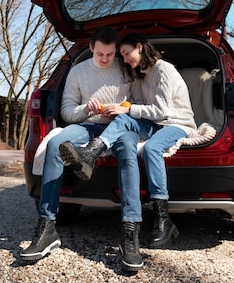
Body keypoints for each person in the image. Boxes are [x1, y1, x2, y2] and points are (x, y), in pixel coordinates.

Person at [20, 26, 145, 272]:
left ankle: (131, 233)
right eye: (100, 54)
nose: (106, 59)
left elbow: (141, 102)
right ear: (91, 48)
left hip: (120, 128)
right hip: (87, 126)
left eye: (110, 54)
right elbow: (66, 111)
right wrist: (86, 109)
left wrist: (123, 108)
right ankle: (47, 227)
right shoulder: (78, 71)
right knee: (55, 144)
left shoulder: (126, 68)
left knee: (128, 149)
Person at [60, 32, 196, 249]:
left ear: (140, 47)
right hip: (155, 123)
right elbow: (140, 109)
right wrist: (122, 110)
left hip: (176, 123)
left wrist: (129, 109)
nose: (124, 60)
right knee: (124, 118)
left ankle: (164, 220)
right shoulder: (142, 73)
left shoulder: (164, 69)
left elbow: (161, 111)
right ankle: (92, 153)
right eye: (122, 56)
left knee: (151, 148)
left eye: (125, 54)